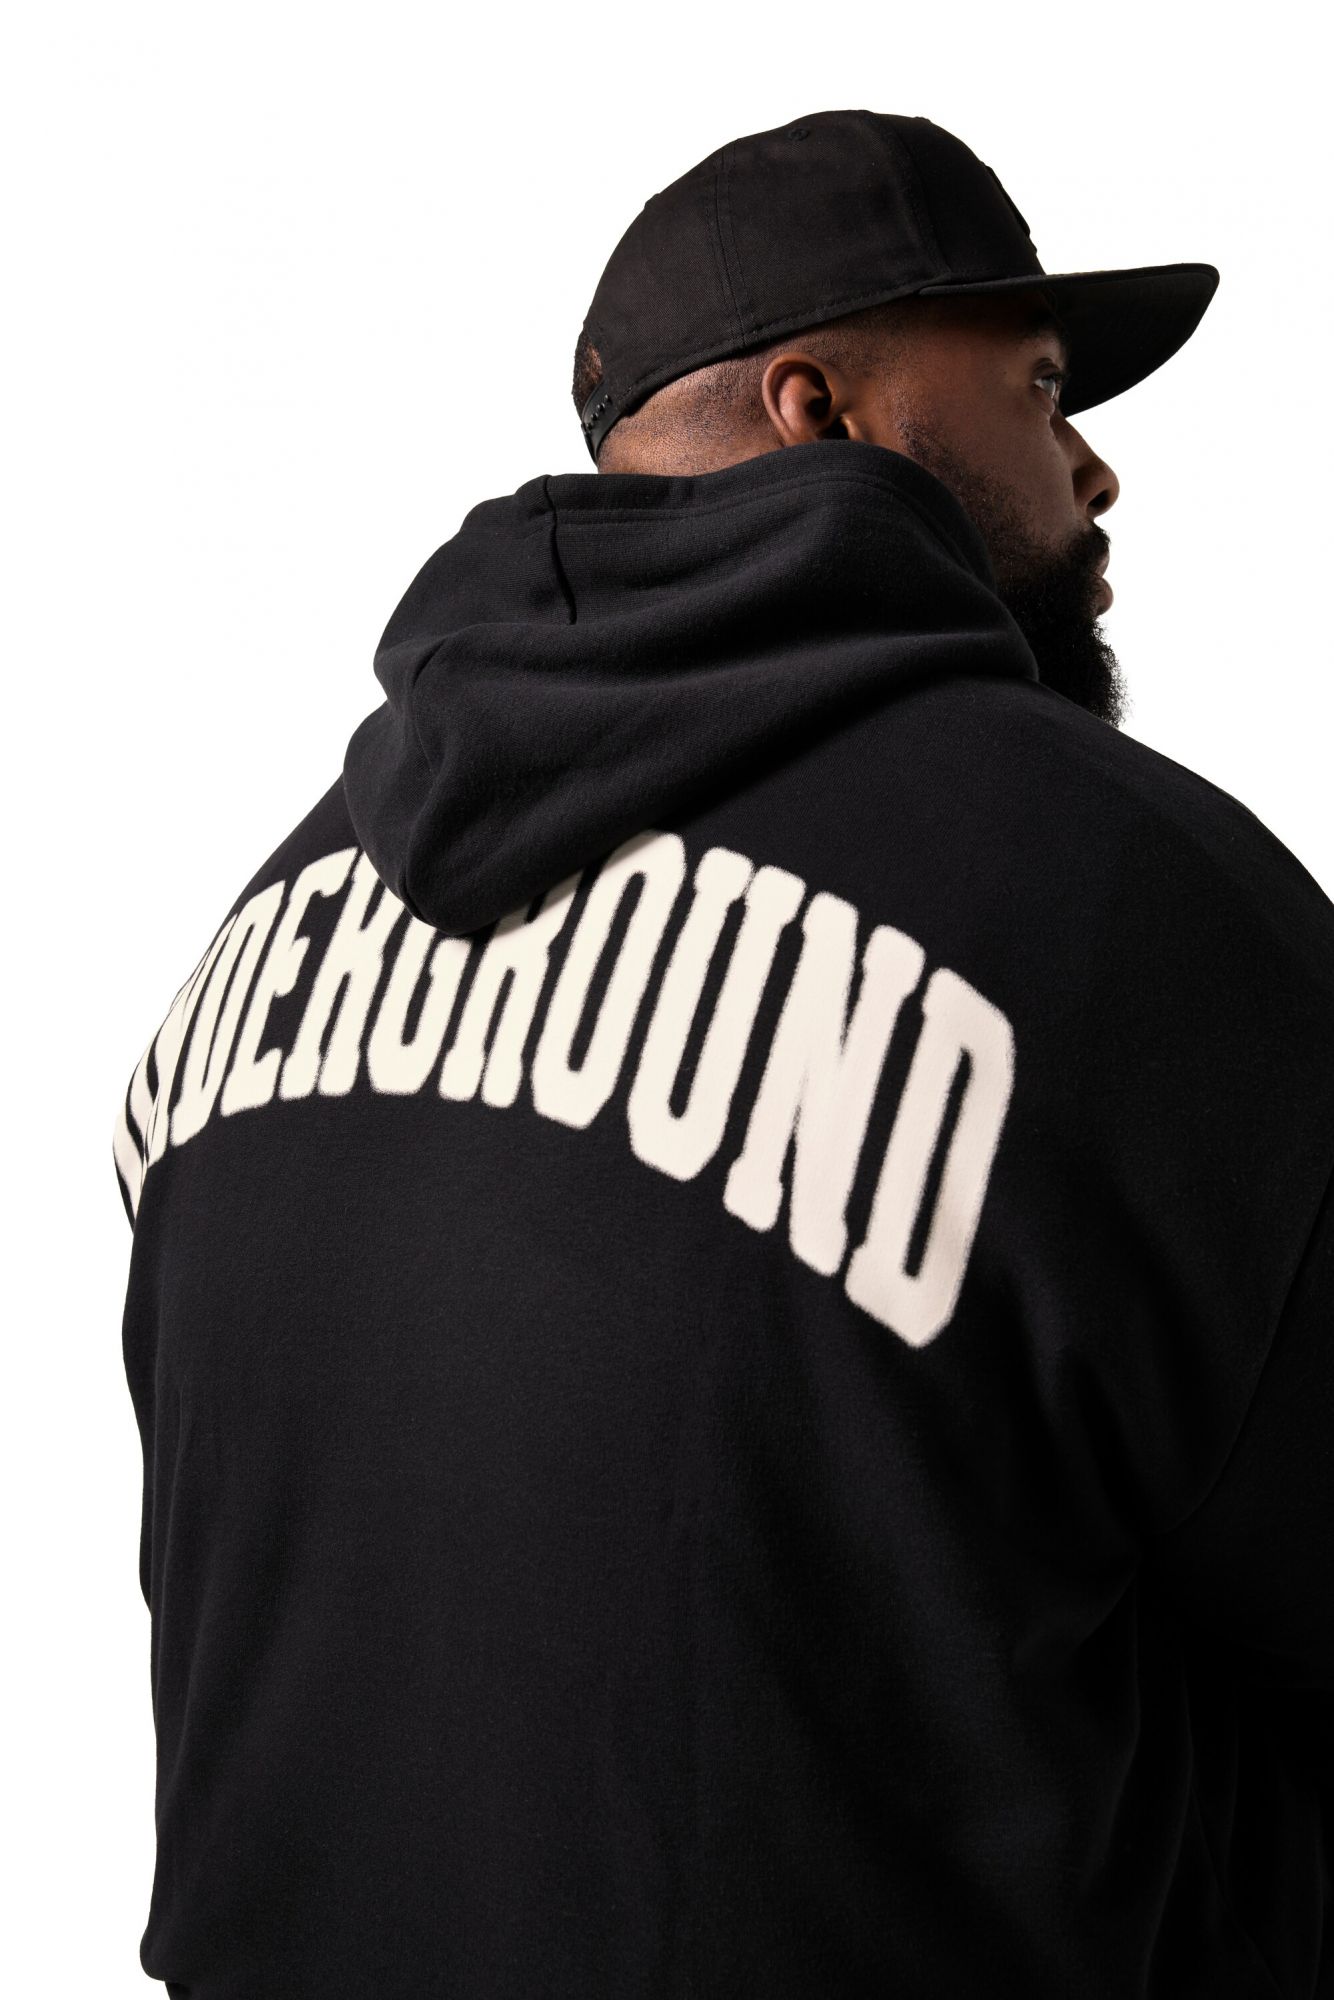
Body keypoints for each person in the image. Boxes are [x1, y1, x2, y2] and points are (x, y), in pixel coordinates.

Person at [112, 110, 1333, 1998]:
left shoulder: (252, 944)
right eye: (1035, 387)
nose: (1094, 466)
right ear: (817, 410)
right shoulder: (1126, 899)